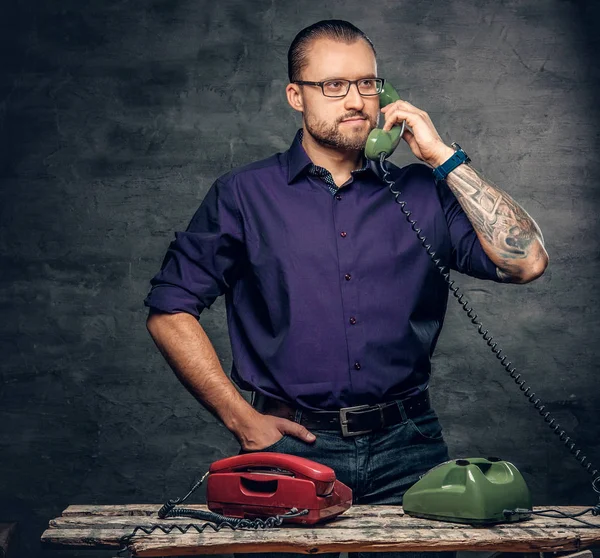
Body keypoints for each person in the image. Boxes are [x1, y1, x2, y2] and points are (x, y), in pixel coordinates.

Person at [144, 19, 548, 558]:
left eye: (368, 84)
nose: (356, 100)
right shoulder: (243, 195)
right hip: (289, 447)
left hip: (411, 447)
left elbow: (526, 263)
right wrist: (240, 419)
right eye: (333, 85)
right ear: (296, 96)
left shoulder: (424, 191)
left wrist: (441, 157)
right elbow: (170, 309)